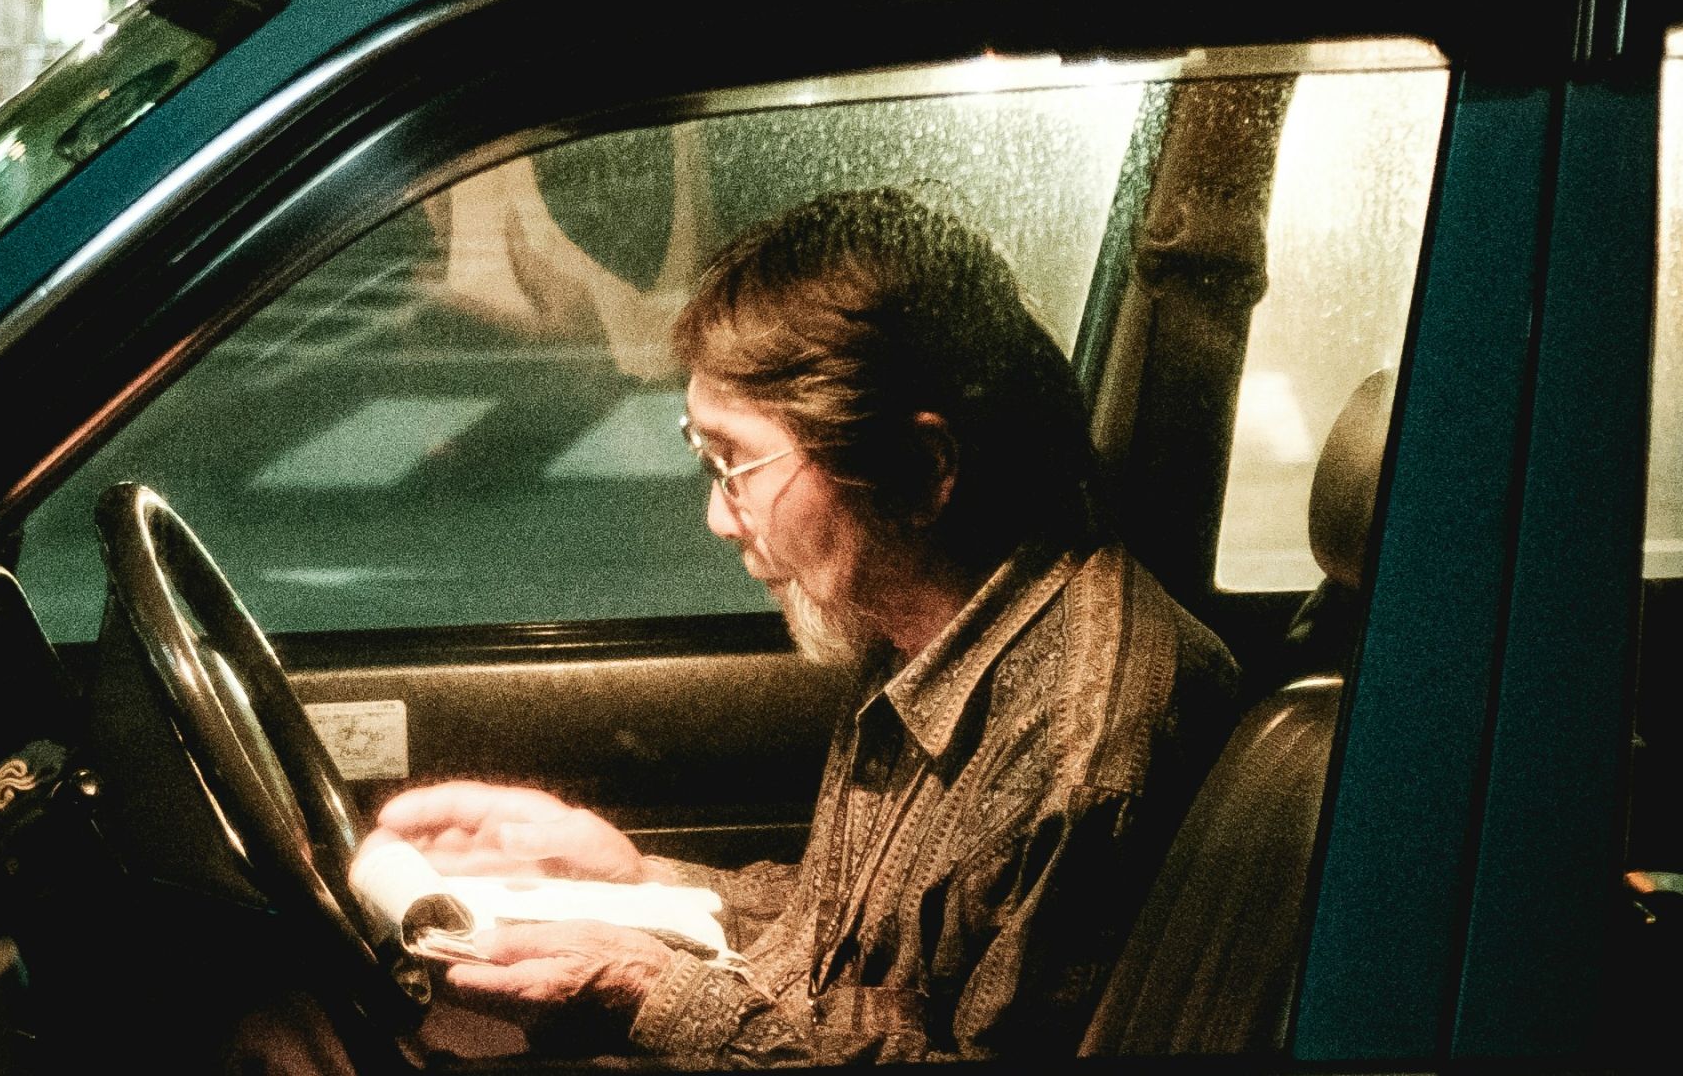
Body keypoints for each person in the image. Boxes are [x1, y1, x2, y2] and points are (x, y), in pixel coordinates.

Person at [361, 187, 1241, 1065]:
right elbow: (851, 947)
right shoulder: (920, 629)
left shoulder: (1084, 753)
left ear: (918, 468)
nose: (717, 514)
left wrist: (645, 989)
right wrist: (634, 881)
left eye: (735, 459)